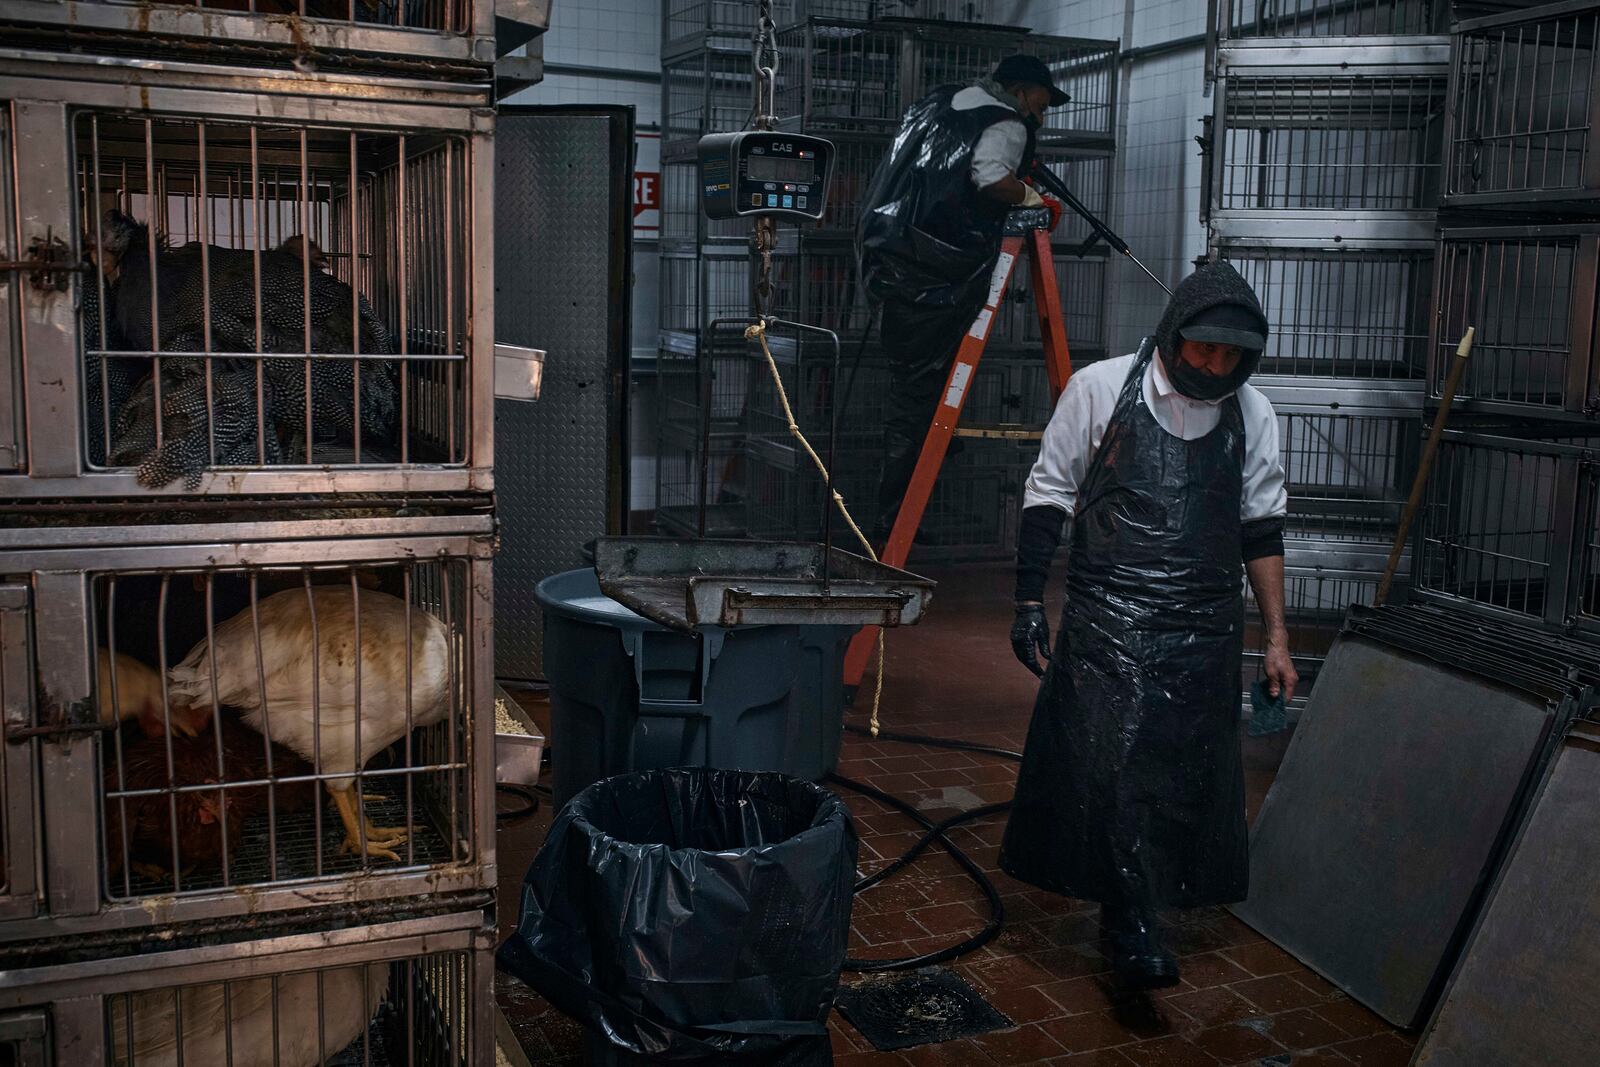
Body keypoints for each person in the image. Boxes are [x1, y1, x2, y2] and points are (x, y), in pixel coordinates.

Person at [998, 261, 1297, 991]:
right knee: (1112, 764)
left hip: (1202, 627)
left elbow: (1261, 529)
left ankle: (1144, 900)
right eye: (1203, 349)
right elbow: (1050, 492)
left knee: (1180, 773)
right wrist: (1029, 599)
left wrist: (1279, 638)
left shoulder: (1253, 413)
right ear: (1174, 334)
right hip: (1111, 622)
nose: (1214, 364)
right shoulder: (1100, 389)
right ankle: (1132, 922)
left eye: (1230, 355)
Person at [855, 54, 1070, 541]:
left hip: (884, 249)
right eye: (1042, 100)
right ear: (1019, 91)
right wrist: (1031, 198)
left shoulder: (938, 101)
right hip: (932, 266)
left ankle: (912, 485)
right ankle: (894, 527)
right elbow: (990, 176)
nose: (1044, 111)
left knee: (913, 382)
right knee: (916, 397)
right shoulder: (1006, 120)